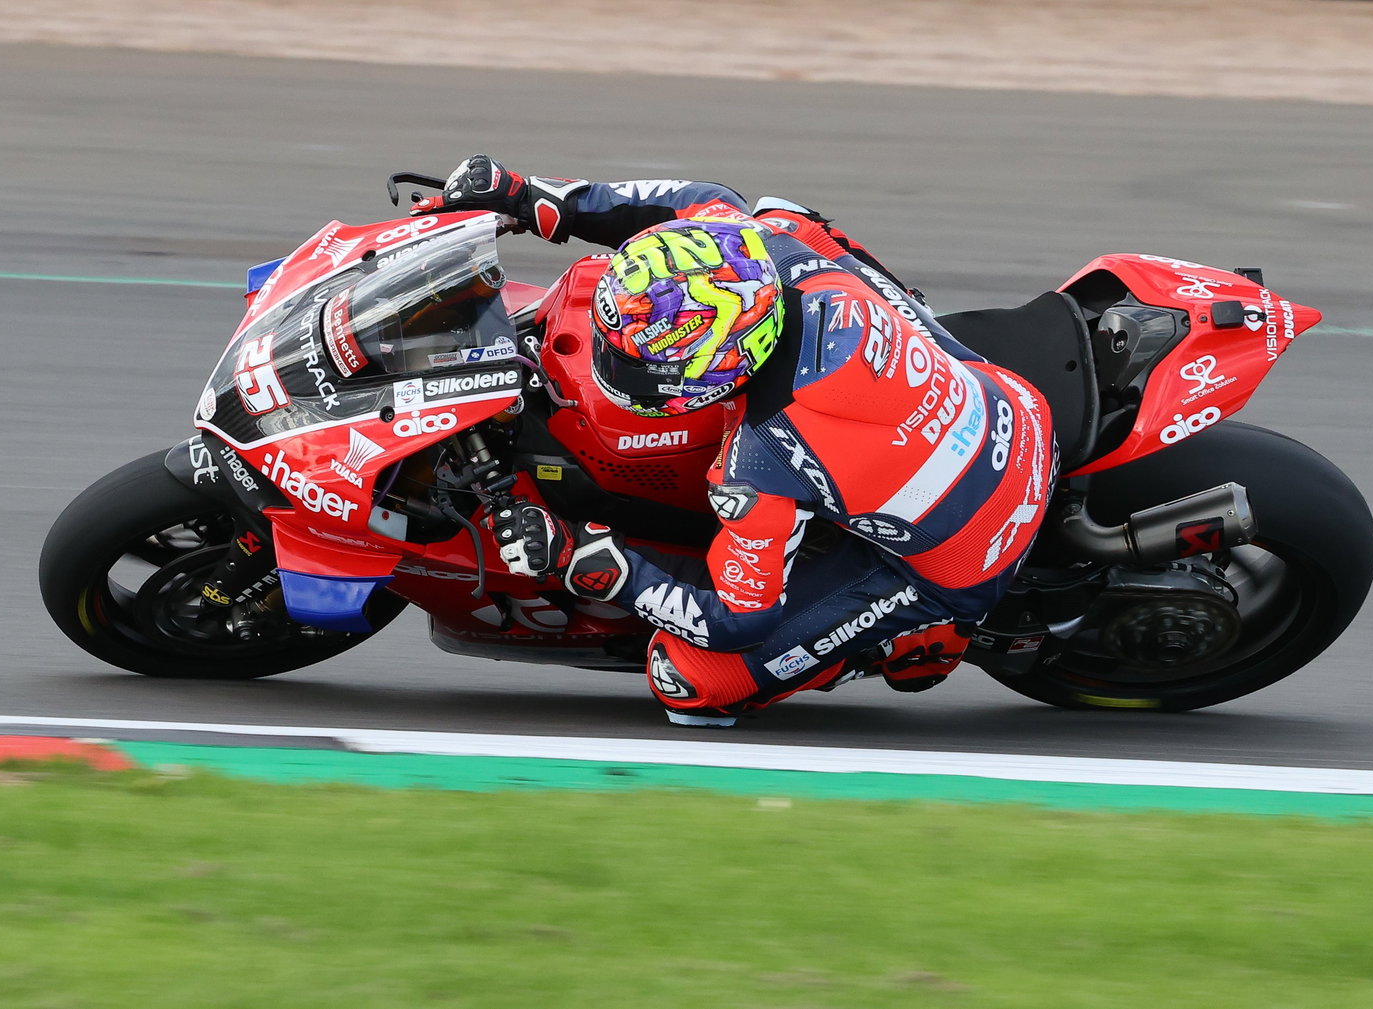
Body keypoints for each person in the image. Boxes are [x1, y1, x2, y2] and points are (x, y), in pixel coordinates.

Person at [431, 155, 1055, 727]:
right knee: (794, 218)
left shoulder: (765, 461)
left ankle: (909, 636)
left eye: (639, 366)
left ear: (722, 360)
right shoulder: (768, 248)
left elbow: (735, 620)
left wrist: (581, 560)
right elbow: (696, 200)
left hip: (966, 550)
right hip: (1011, 401)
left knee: (687, 680)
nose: (612, 368)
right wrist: (535, 198)